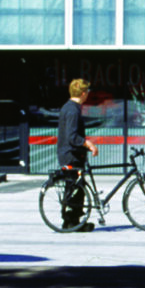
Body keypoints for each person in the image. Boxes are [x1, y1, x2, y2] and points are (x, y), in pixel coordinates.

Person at [56, 77, 93, 227]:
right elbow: (72, 136)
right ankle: (71, 222)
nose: (88, 94)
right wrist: (88, 144)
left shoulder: (70, 108)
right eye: (87, 91)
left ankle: (73, 221)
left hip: (71, 154)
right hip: (71, 155)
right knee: (75, 189)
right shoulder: (72, 110)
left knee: (76, 188)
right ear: (83, 93)